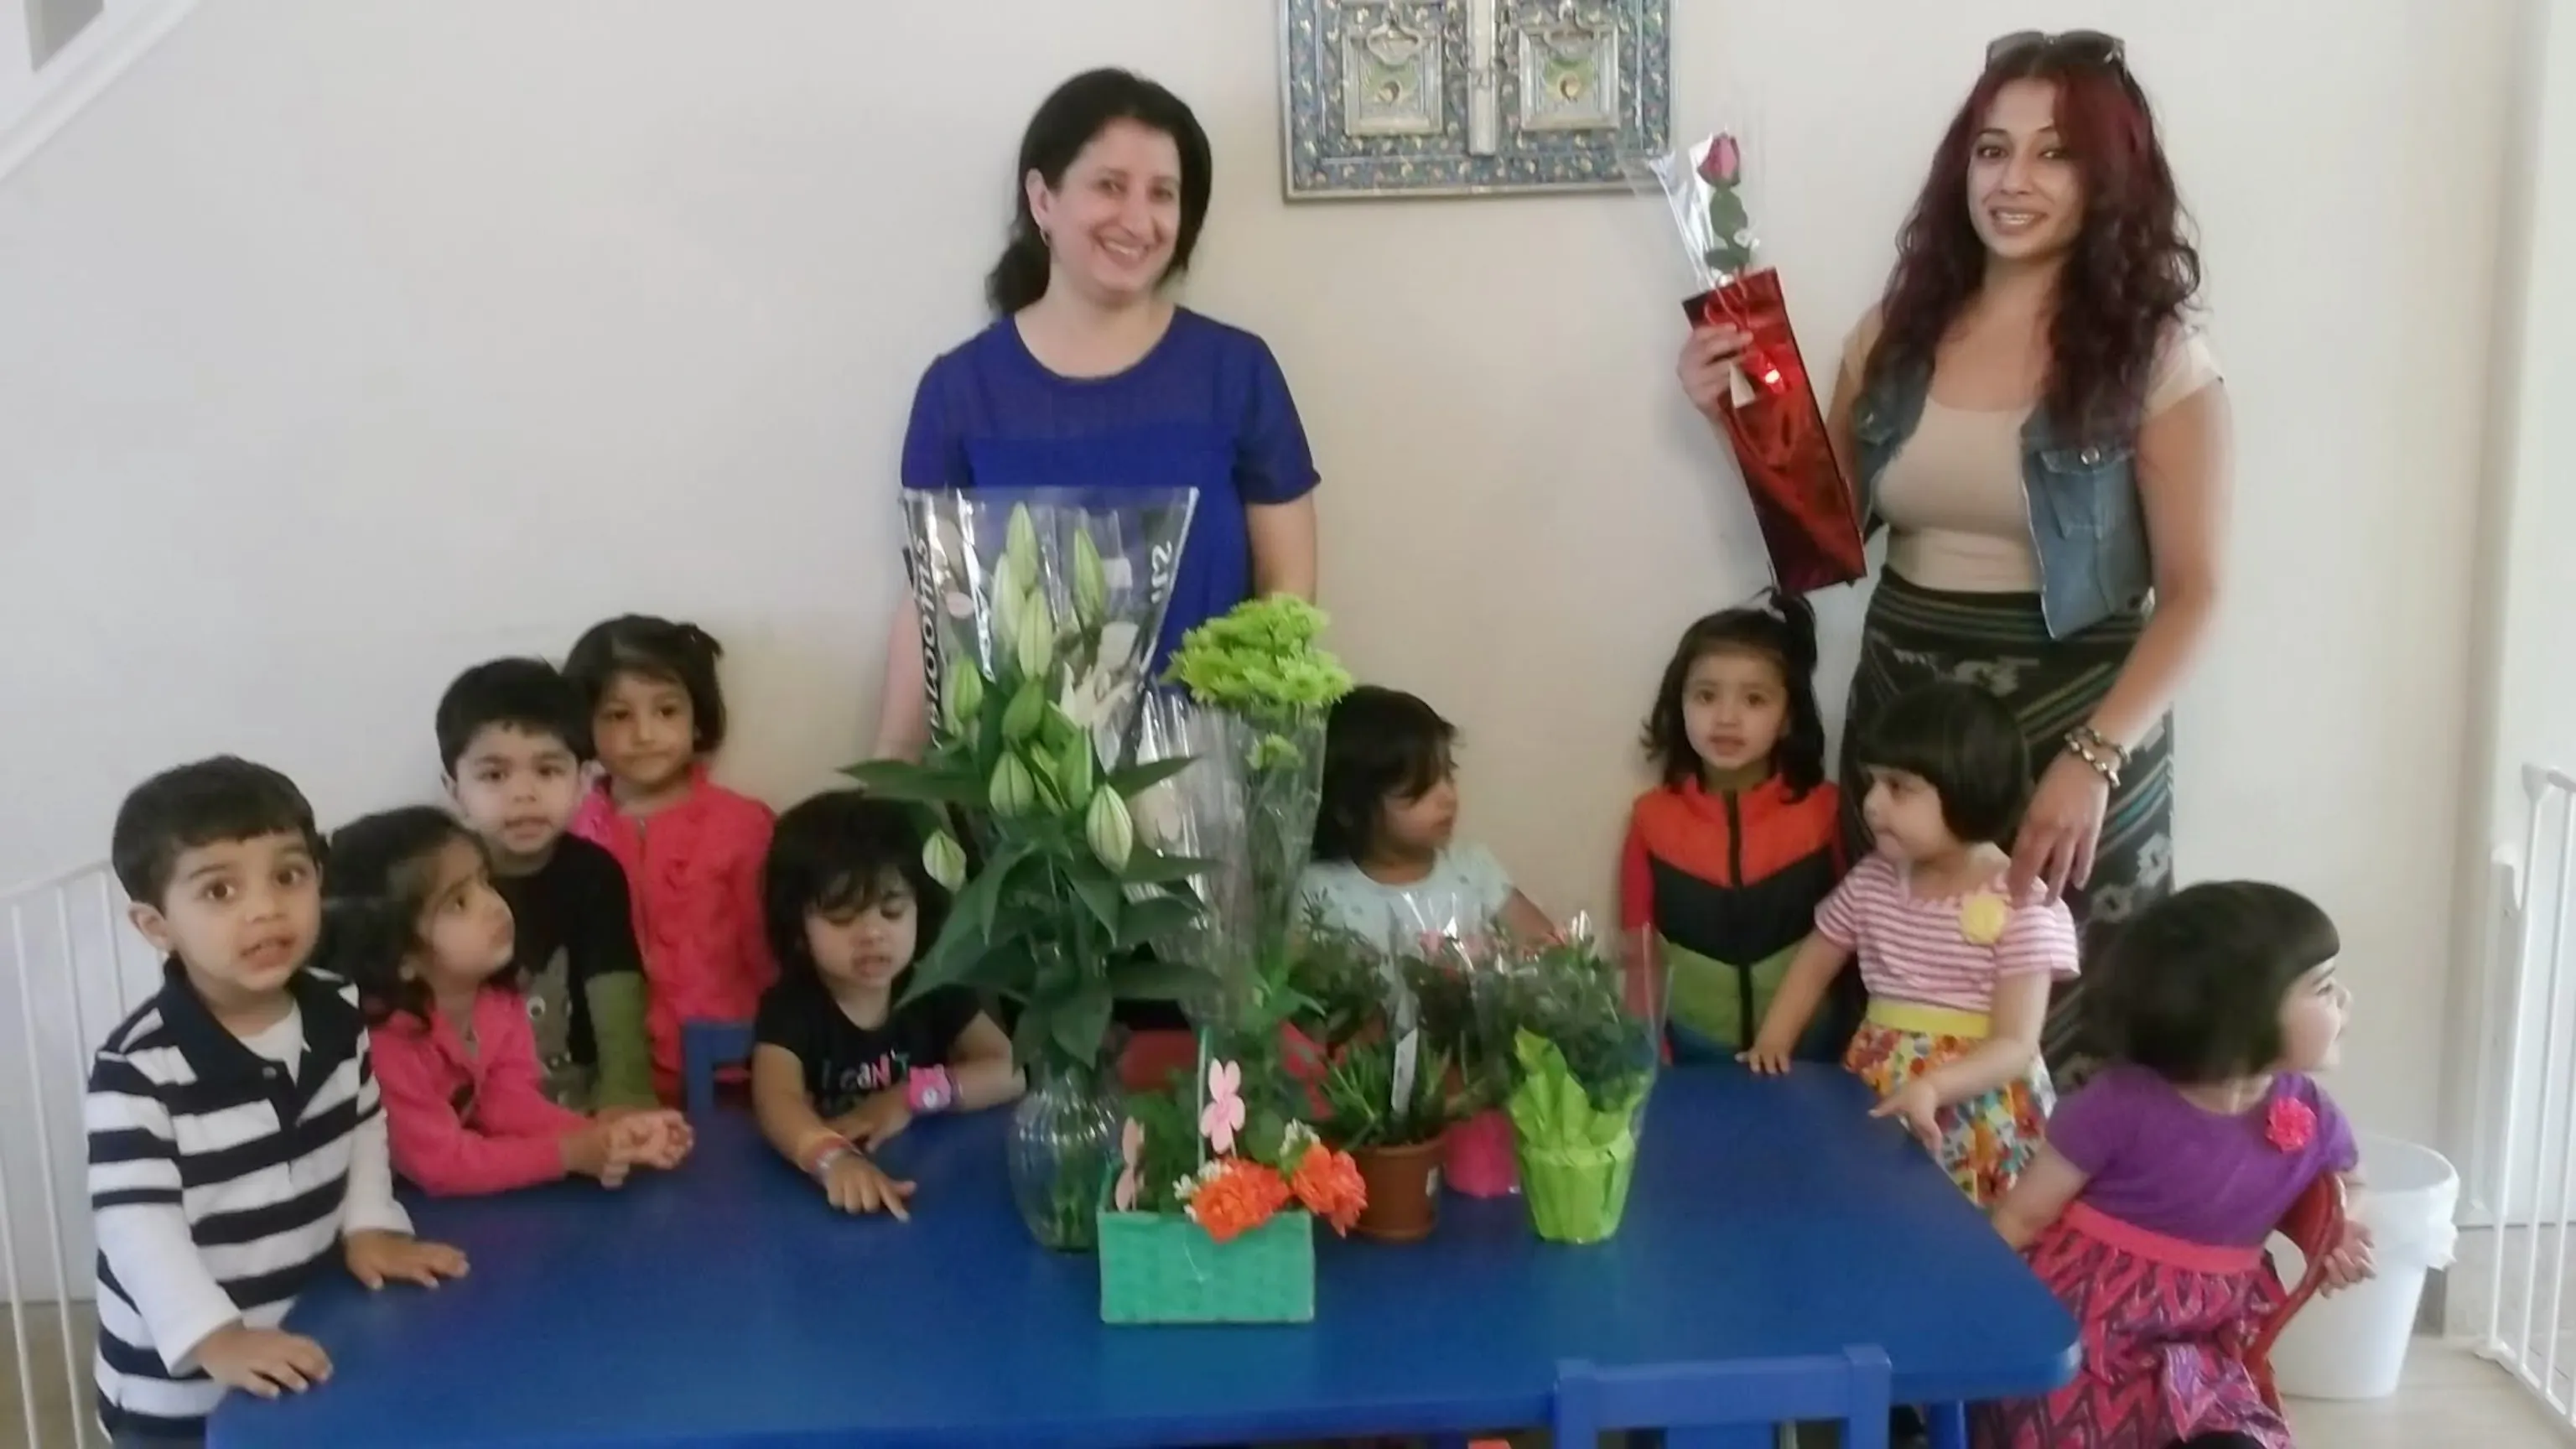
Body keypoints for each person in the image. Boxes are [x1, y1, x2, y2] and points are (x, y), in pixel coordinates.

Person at [1679, 29, 2227, 1081]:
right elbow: (1826, 539)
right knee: (1905, 1007)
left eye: (2054, 153)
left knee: (2071, 1036)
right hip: (1910, 725)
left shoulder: (2157, 356)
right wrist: (1727, 418)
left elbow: (2197, 593)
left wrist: (2093, 760)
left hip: (2079, 728)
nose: (2012, 180)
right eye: (1991, 150)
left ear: (2109, 179)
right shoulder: (1894, 335)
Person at [873, 65, 1322, 764]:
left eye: (1162, 194)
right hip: (1023, 785)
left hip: (1205, 778)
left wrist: (1263, 763)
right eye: (1110, 186)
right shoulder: (960, 389)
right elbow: (933, 607)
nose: (1138, 221)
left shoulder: (1235, 372)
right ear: (1042, 199)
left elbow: (1287, 596)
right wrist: (893, 770)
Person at [86, 758, 465, 1441]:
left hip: (302, 1333)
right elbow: (136, 1229)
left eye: (288, 876)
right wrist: (215, 1338)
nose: (264, 908)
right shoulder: (137, 1069)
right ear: (157, 926)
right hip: (174, 1392)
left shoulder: (338, 1007)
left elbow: (362, 1124)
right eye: (220, 890)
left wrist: (370, 1224)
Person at [1979, 882, 2372, 1449]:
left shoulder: (2308, 1111)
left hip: (2207, 1343)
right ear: (2241, 1012)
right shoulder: (2119, 1105)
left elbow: (2350, 1184)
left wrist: (2345, 1228)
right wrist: (1972, 1304)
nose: (2345, 1000)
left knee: (2235, 1439)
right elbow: (2024, 1216)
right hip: (2091, 1325)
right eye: (2323, 987)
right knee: (2066, 1426)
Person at [1744, 683, 2077, 1205]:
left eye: (1898, 788)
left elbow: (2016, 1044)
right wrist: (1774, 1040)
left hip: (1979, 1107)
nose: (1872, 804)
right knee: (1877, 1206)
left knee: (1967, 1224)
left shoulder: (2023, 903)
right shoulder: (1874, 881)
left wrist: (1936, 1087)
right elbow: (1818, 955)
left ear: (1969, 788)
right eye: (1873, 783)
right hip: (1878, 1083)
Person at [329, 807, 692, 1197]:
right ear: (401, 955)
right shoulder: (385, 1043)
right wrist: (569, 1154)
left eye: (485, 882)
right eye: (459, 903)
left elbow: (506, 1104)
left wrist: (609, 1137)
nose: (493, 904)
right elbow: (441, 1165)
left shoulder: (497, 1002)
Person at [750, 791, 1021, 1218]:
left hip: (931, 1188)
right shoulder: (792, 1007)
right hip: (820, 1206)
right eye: (843, 918)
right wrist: (833, 1159)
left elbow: (1012, 1069)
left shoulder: (933, 988)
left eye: (892, 911)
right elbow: (775, 1101)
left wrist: (909, 1096)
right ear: (798, 928)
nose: (873, 934)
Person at [1622, 590, 1850, 1062]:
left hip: (1810, 1049)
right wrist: (1649, 1045)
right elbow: (1639, 950)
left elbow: (1861, 936)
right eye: (1706, 696)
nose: (1726, 718)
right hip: (1692, 1047)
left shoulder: (1826, 811)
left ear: (1787, 718)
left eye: (1754, 699)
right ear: (1679, 703)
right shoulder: (1651, 819)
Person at [564, 615, 776, 1099]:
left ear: (697, 717)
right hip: (609, 1083)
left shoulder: (742, 825)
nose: (644, 734)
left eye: (666, 711)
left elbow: (769, 954)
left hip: (734, 1073)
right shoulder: (570, 832)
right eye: (618, 715)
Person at [436, 657, 657, 1113]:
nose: (524, 794)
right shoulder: (438, 878)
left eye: (548, 770)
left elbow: (615, 991)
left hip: (575, 1095)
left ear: (583, 782)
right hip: (466, 1100)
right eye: (494, 775)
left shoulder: (594, 873)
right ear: (454, 790)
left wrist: (627, 1095)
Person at [1301, 686, 1552, 949]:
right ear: (1348, 811)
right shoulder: (1320, 892)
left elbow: (1547, 944)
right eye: (1422, 788)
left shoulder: (1471, 869)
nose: (1448, 797)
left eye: (1448, 776)